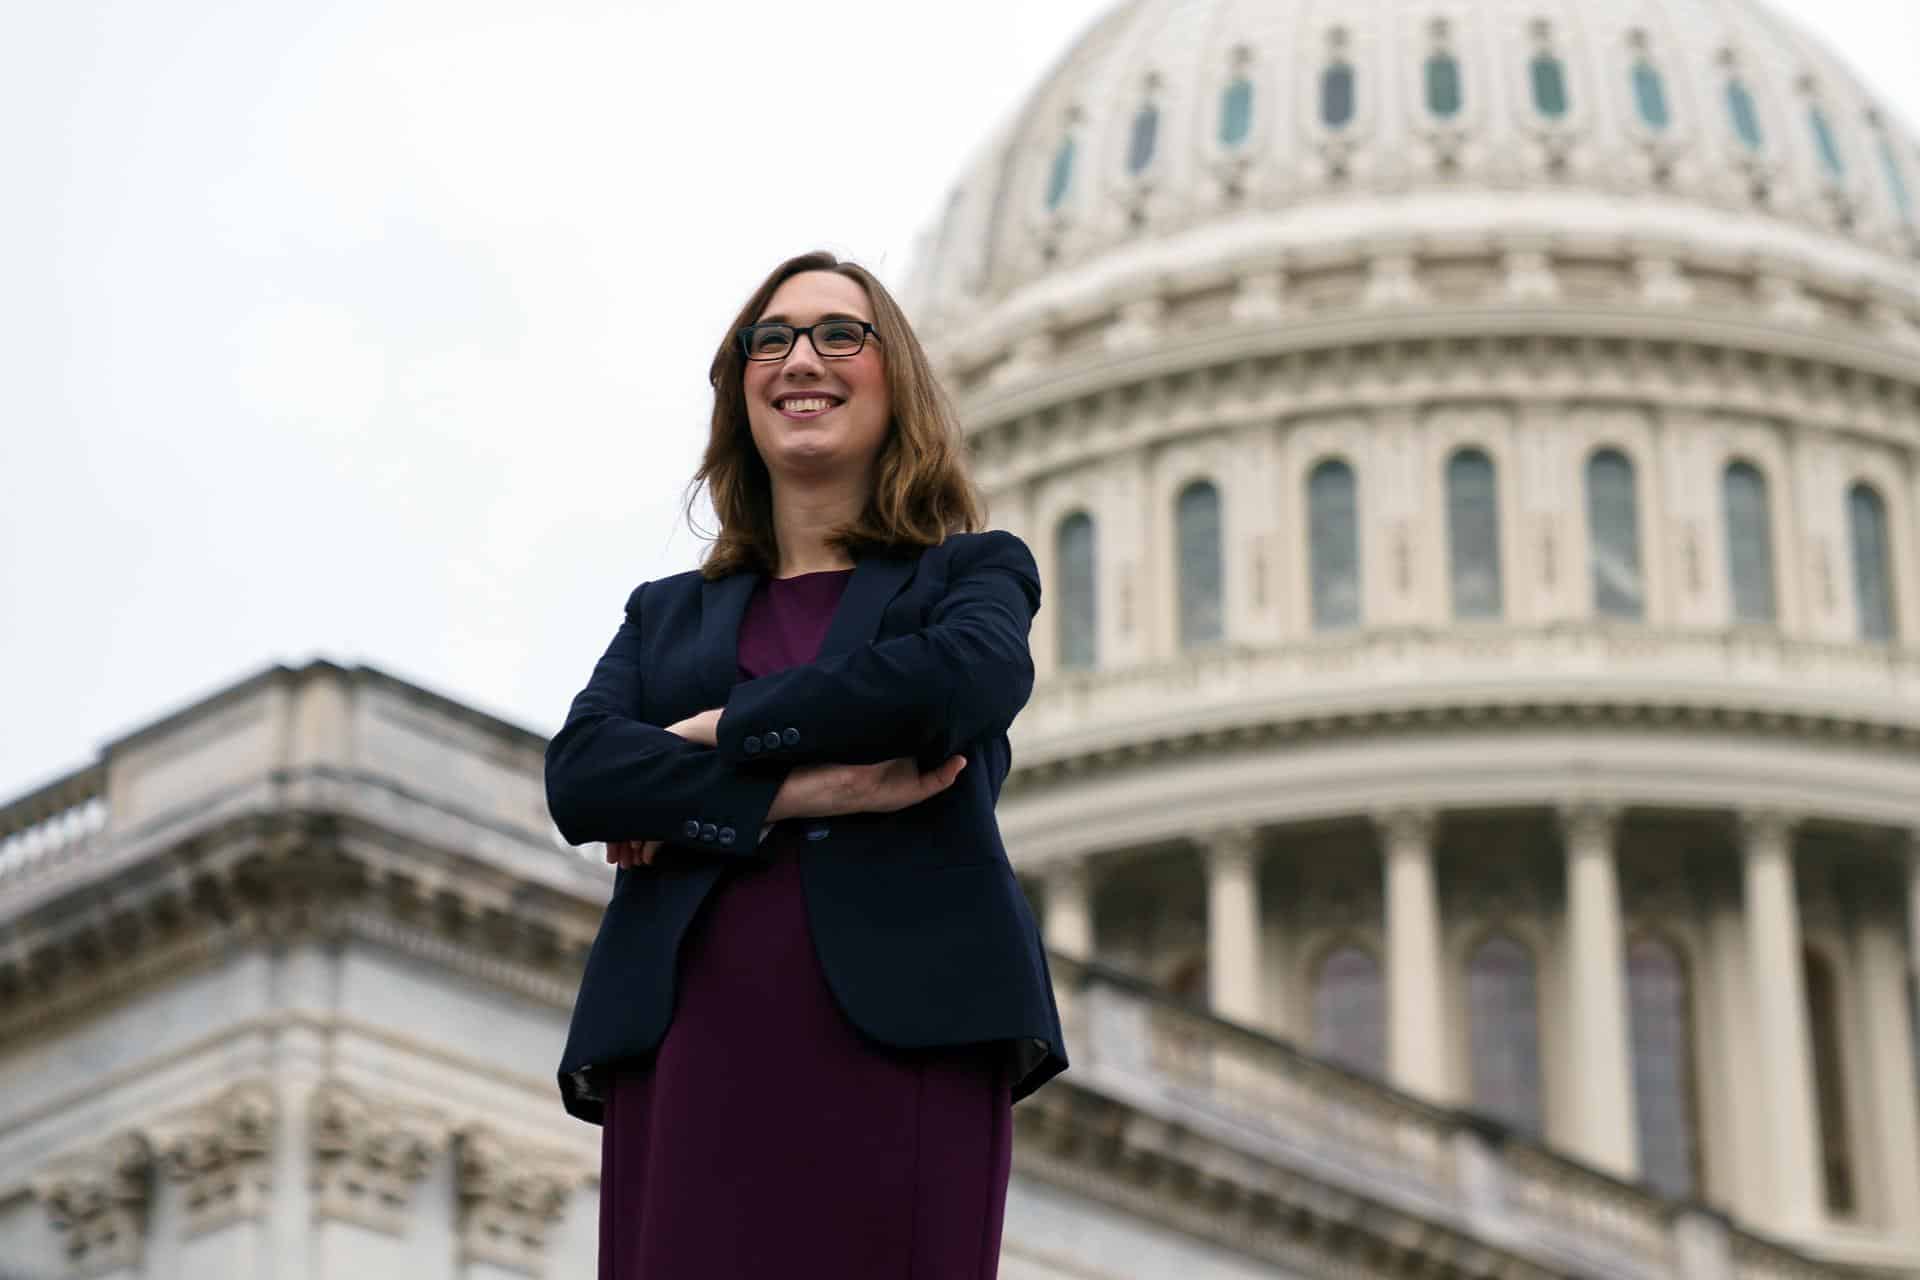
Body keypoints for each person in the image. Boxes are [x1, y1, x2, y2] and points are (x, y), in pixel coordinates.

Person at [545, 249, 1070, 1278]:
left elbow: (957, 685)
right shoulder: (668, 613)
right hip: (692, 1036)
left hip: (907, 1034)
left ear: (895, 380)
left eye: (841, 333)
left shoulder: (970, 574)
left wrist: (713, 730)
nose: (802, 358)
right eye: (771, 337)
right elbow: (582, 776)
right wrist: (802, 788)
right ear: (741, 387)